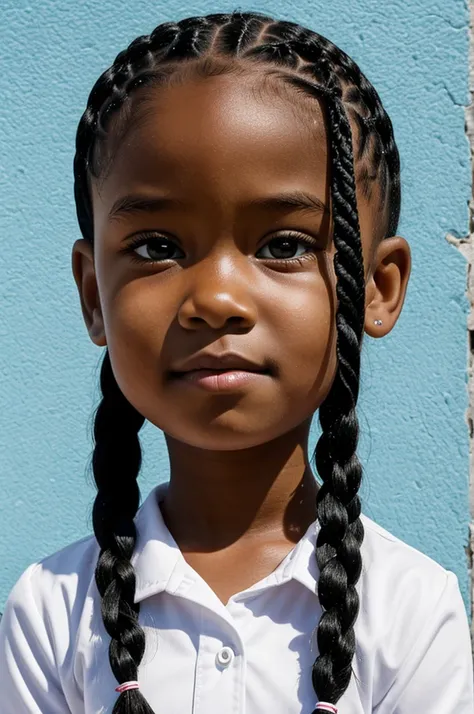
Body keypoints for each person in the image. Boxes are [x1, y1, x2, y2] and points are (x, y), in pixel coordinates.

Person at [0, 9, 473, 714]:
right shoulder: (50, 611)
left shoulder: (411, 609)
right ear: (94, 295)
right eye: (158, 246)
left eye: (283, 244)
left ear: (377, 289)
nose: (216, 299)